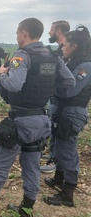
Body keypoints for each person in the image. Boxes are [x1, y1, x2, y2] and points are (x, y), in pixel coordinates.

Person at [0, 18, 75, 217]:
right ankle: (26, 210)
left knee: (1, 163)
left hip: (21, 120)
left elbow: (14, 85)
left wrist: (2, 74)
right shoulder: (51, 55)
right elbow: (68, 81)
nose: (16, 36)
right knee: (32, 164)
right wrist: (47, 91)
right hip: (42, 119)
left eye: (17, 33)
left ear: (24, 33)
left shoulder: (22, 56)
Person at [44, 25, 91, 207]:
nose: (62, 48)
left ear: (75, 46)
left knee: (67, 151)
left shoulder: (85, 67)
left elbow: (69, 90)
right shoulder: (71, 62)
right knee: (57, 145)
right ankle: (59, 179)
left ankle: (68, 194)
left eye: (66, 45)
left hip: (72, 114)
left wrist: (51, 86)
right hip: (62, 112)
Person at [41, 20, 71, 173]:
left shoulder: (66, 51)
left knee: (60, 130)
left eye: (51, 29)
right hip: (56, 98)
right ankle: (54, 156)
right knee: (54, 127)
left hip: (62, 99)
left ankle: (55, 161)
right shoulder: (61, 49)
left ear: (58, 31)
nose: (49, 32)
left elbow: (66, 78)